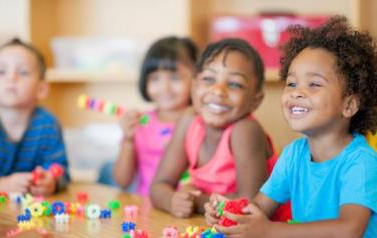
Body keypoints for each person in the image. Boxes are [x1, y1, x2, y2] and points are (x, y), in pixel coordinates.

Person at [205, 16, 377, 238]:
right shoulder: (293, 155)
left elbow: (349, 230)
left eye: (314, 84)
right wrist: (232, 213)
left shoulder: (361, 162)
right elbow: (259, 208)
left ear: (349, 105)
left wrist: (268, 230)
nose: (296, 92)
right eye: (292, 83)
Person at [150, 38, 290, 220]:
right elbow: (159, 185)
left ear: (255, 100)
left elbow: (249, 206)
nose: (218, 91)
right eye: (208, 79)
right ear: (194, 87)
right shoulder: (188, 121)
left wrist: (196, 201)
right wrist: (173, 201)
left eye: (234, 84)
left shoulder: (245, 130)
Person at [105, 36, 198, 195]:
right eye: (155, 78)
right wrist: (128, 139)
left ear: (196, 79)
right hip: (147, 210)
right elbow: (122, 181)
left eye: (175, 77)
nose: (164, 87)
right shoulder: (141, 123)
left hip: (186, 209)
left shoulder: (200, 123)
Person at [0, 38, 69, 195]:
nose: (11, 78)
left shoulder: (48, 125)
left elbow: (61, 170)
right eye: (1, 72)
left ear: (41, 89)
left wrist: (51, 181)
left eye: (23, 72)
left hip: (31, 210)